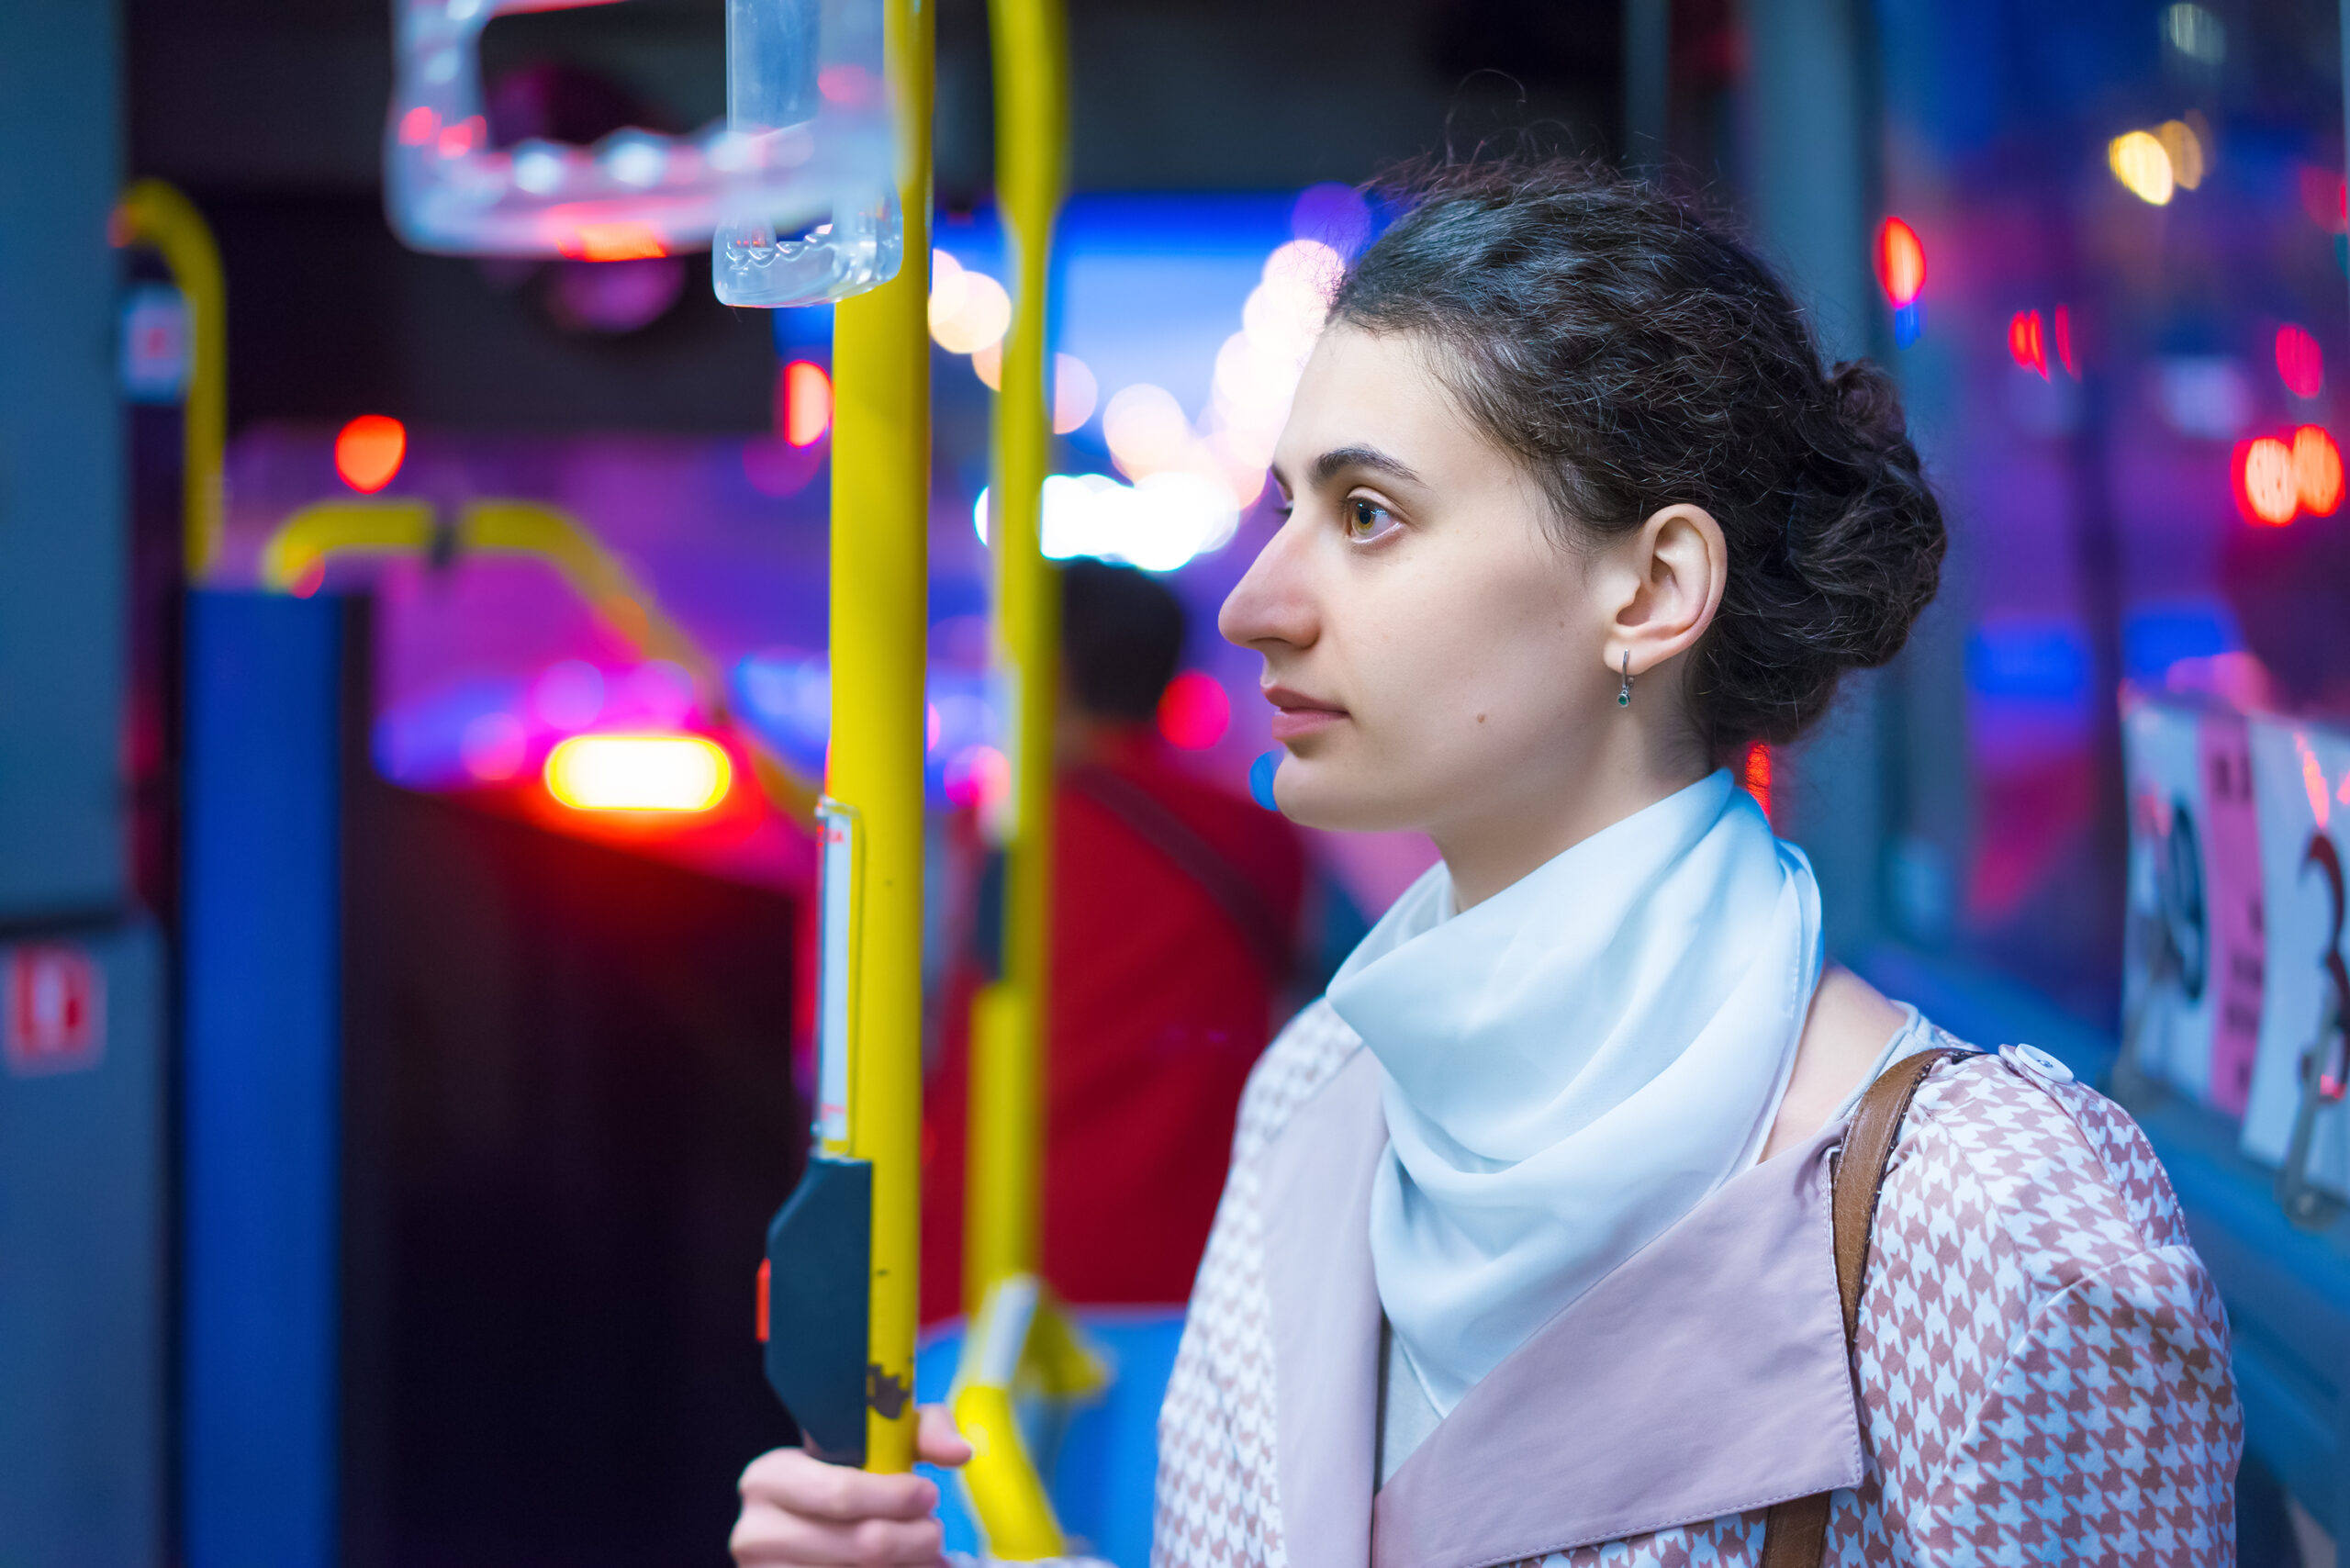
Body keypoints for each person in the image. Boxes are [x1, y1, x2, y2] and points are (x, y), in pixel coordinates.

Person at [733, 160, 2238, 1567]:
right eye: (1287, 511)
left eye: (1368, 515)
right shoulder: (1319, 1095)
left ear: (1650, 588)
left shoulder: (1988, 1210)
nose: (1258, 600)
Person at [918, 558, 1306, 1319]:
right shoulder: (1267, 844)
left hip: (991, 1280)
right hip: (1196, 1281)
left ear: (1048, 669)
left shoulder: (990, 836)